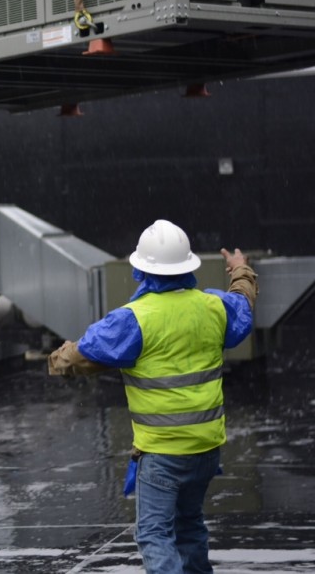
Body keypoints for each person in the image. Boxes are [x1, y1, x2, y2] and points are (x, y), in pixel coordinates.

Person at [48, 219, 257, 574]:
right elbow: (243, 306)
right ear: (188, 267)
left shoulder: (134, 320)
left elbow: (82, 356)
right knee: (189, 527)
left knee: (154, 535)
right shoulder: (213, 307)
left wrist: (57, 360)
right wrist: (241, 270)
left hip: (163, 455)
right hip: (206, 450)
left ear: (140, 270)